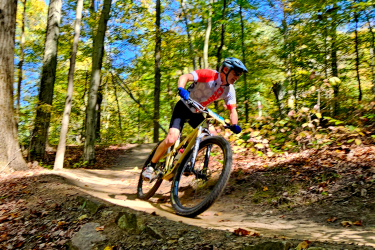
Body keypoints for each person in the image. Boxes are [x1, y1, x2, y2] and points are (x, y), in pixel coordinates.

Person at [142, 57, 248, 181]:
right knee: (172, 138)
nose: (237, 77)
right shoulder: (209, 75)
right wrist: (181, 88)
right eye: (236, 73)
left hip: (197, 112)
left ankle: (184, 155)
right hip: (183, 106)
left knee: (211, 135)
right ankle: (151, 166)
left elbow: (233, 110)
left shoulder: (230, 90)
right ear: (225, 69)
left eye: (239, 75)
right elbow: (184, 77)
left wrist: (234, 124)